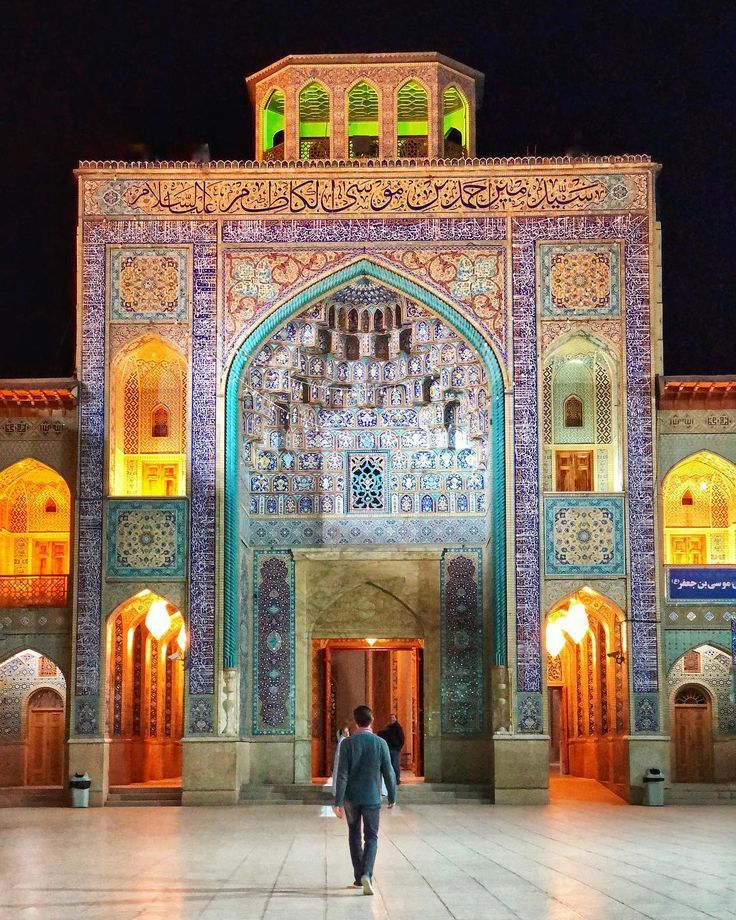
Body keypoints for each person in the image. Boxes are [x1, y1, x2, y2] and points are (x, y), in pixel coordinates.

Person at [333, 704, 396, 896]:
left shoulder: (348, 743)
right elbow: (389, 772)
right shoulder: (380, 743)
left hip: (351, 798)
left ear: (355, 721)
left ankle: (358, 876)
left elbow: (342, 775)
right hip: (371, 797)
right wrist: (392, 795)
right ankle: (367, 874)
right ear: (372, 720)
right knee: (372, 836)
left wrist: (337, 801)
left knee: (354, 835)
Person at [377, 713, 405, 786]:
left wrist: (398, 747)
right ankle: (390, 779)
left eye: (393, 718)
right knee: (389, 765)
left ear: (395, 719)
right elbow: (381, 734)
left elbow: (402, 739)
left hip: (395, 749)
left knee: (395, 765)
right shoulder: (387, 728)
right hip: (388, 749)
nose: (392, 719)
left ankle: (396, 779)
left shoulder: (398, 728)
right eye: (391, 718)